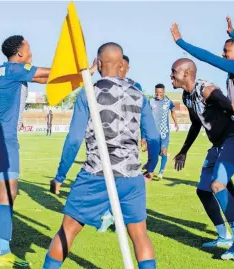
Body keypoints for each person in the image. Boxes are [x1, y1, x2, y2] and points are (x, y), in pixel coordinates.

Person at [42, 42, 160, 269]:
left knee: (68, 229)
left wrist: (60, 176)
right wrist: (151, 166)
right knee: (139, 234)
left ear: (98, 62)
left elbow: (74, 139)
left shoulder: (89, 93)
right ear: (121, 63)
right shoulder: (139, 95)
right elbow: (153, 138)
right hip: (131, 177)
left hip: (97, 175)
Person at [171, 18, 234, 251]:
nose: (223, 55)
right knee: (224, 177)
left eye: (227, 51)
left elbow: (207, 58)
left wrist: (181, 42)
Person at [0, 35, 50, 267]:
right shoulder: (18, 69)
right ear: (19, 53)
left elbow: (46, 79)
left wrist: (77, 77)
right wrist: (82, 70)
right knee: (9, 192)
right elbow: (51, 73)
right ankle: (4, 252)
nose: (31, 51)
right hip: (2, 137)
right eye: (28, 48)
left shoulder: (7, 69)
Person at [96, 54, 144, 233]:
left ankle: (116, 217)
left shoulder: (135, 88)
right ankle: (109, 215)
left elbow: (140, 118)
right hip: (105, 147)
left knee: (121, 183)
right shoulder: (101, 88)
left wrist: (144, 137)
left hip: (126, 149)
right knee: (108, 182)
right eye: (119, 65)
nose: (121, 69)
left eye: (124, 66)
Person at [141, 83, 179, 181]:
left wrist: (176, 122)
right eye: (157, 92)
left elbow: (173, 111)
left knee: (164, 151)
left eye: (160, 92)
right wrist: (144, 135)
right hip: (153, 133)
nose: (158, 94)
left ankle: (161, 173)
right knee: (154, 154)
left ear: (163, 92)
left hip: (164, 132)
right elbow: (145, 116)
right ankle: (148, 166)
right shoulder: (151, 102)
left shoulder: (168, 102)